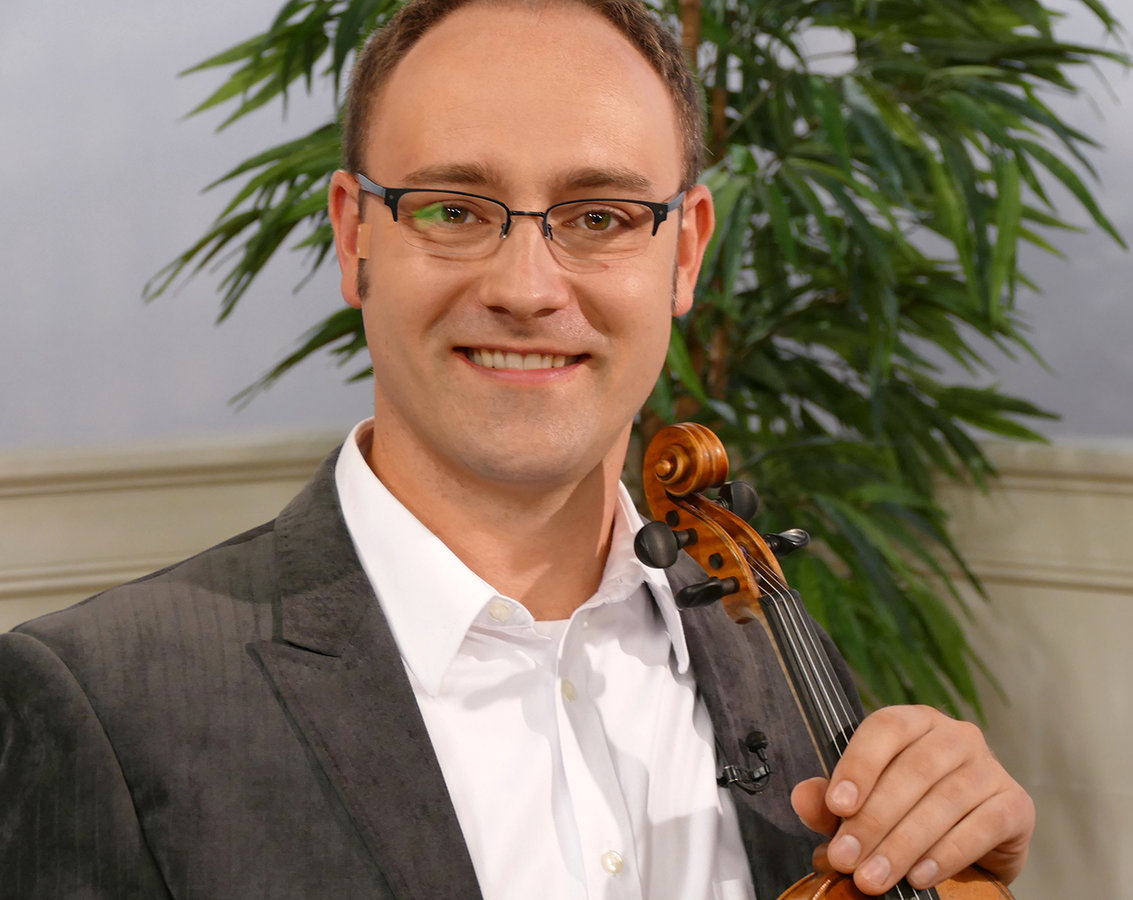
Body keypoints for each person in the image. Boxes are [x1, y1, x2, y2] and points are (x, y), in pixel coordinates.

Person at [0, 1, 1035, 897]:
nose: (527, 289)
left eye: (601, 216)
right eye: (454, 209)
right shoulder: (100, 704)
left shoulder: (780, 660)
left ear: (685, 254)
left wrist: (962, 874)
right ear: (355, 237)